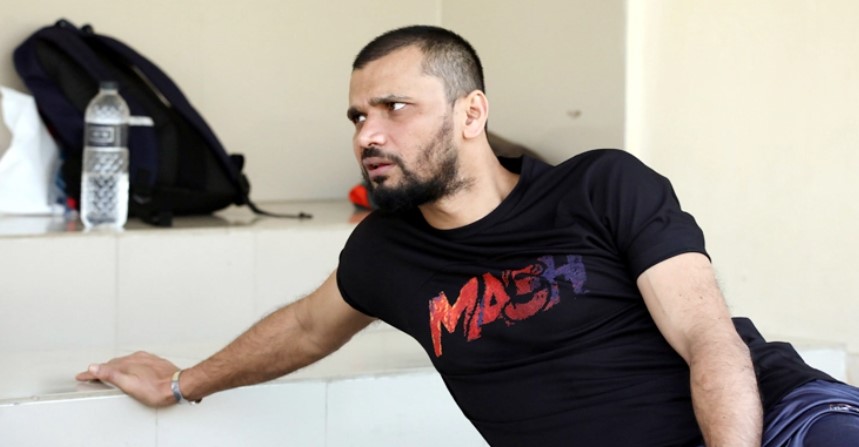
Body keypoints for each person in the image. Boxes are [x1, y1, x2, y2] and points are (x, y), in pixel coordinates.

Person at [77, 25, 859, 446]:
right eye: (358, 115)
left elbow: (708, 338)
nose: (367, 133)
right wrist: (182, 381)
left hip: (773, 420)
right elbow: (306, 328)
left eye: (394, 108)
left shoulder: (600, 186)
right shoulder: (386, 252)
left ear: (471, 113)